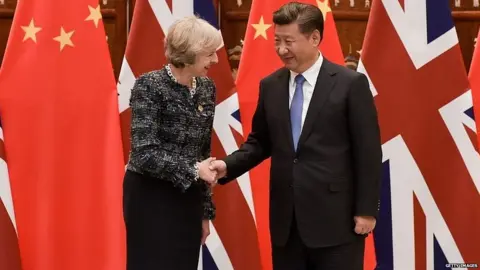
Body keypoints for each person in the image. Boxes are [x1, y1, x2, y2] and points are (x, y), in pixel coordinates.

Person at [209, 2, 382, 269]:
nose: (281, 49)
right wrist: (226, 165)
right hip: (286, 224)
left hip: (337, 222)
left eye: (289, 41)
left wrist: (366, 210)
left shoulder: (350, 84)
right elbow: (259, 142)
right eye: (277, 40)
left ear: (314, 38)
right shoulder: (271, 85)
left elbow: (368, 152)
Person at [122, 16, 222, 270]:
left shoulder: (207, 88)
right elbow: (145, 152)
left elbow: (203, 153)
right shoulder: (150, 85)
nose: (216, 60)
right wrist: (192, 170)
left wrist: (204, 212)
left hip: (188, 197)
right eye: (210, 54)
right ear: (191, 53)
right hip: (150, 197)